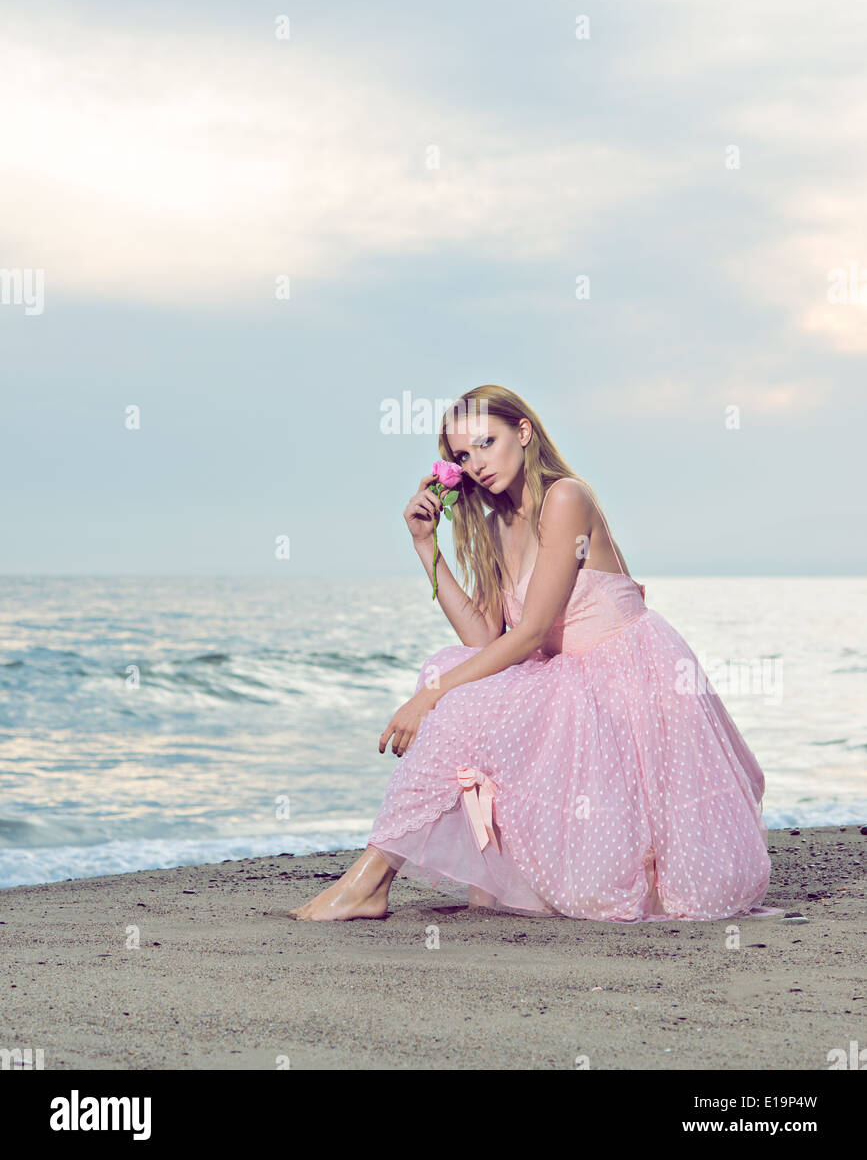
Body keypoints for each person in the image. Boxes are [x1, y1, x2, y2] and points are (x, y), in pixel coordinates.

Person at [289, 384, 782, 923]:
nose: (476, 464)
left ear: (523, 433)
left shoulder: (566, 498)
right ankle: (369, 881)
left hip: (624, 676)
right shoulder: (499, 521)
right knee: (449, 671)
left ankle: (369, 883)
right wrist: (426, 547)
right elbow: (483, 639)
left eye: (486, 443)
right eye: (462, 455)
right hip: (565, 676)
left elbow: (529, 633)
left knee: (451, 695)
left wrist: (429, 699)